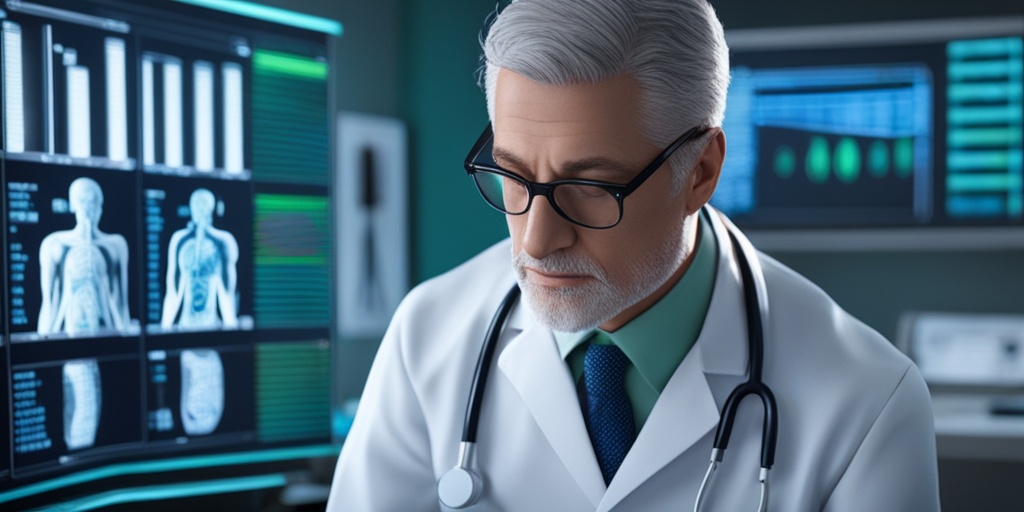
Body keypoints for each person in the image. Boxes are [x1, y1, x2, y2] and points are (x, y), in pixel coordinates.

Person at [327, 0, 940, 510]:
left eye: (590, 187)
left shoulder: (869, 403)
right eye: (513, 176)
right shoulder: (426, 337)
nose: (537, 241)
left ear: (700, 171)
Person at [38, 177, 130, 336]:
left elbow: (121, 302)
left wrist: (128, 342)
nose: (89, 208)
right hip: (67, 330)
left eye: (93, 201)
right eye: (83, 201)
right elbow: (48, 302)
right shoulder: (54, 244)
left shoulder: (116, 245)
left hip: (105, 332)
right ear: (73, 205)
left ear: (100, 206)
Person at [160, 188, 239, 329]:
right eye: (196, 205)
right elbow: (172, 292)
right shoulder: (179, 240)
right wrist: (162, 334)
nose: (199, 209)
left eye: (203, 205)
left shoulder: (223, 242)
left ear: (211, 208)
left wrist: (231, 331)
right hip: (185, 325)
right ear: (190, 207)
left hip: (212, 325)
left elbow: (228, 294)